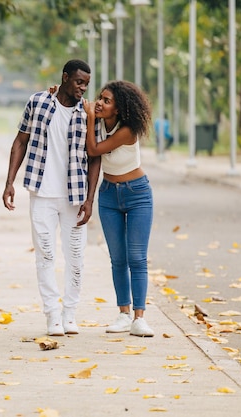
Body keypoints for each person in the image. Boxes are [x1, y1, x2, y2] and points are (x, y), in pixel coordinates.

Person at [2, 59, 102, 336]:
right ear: (65, 77)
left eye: (86, 84)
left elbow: (95, 158)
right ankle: (52, 316)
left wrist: (90, 199)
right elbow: (20, 141)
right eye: (79, 82)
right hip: (41, 193)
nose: (82, 88)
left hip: (75, 197)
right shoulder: (38, 102)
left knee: (76, 258)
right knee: (45, 256)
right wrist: (9, 182)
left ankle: (70, 315)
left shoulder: (88, 112)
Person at [83, 80, 155, 337]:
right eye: (99, 98)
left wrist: (91, 117)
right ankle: (124, 314)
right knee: (117, 259)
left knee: (137, 258)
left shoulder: (128, 130)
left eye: (107, 100)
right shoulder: (96, 120)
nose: (100, 103)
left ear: (119, 108)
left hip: (137, 194)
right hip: (109, 195)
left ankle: (139, 318)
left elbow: (94, 150)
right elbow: (68, 104)